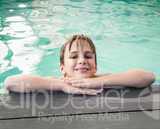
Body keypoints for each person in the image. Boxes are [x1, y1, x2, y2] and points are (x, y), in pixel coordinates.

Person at [5, 34, 155, 95]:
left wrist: (96, 82)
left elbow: (147, 77)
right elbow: (11, 82)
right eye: (74, 56)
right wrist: (62, 86)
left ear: (95, 66)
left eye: (88, 56)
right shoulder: (57, 81)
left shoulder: (103, 79)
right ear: (62, 68)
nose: (82, 60)